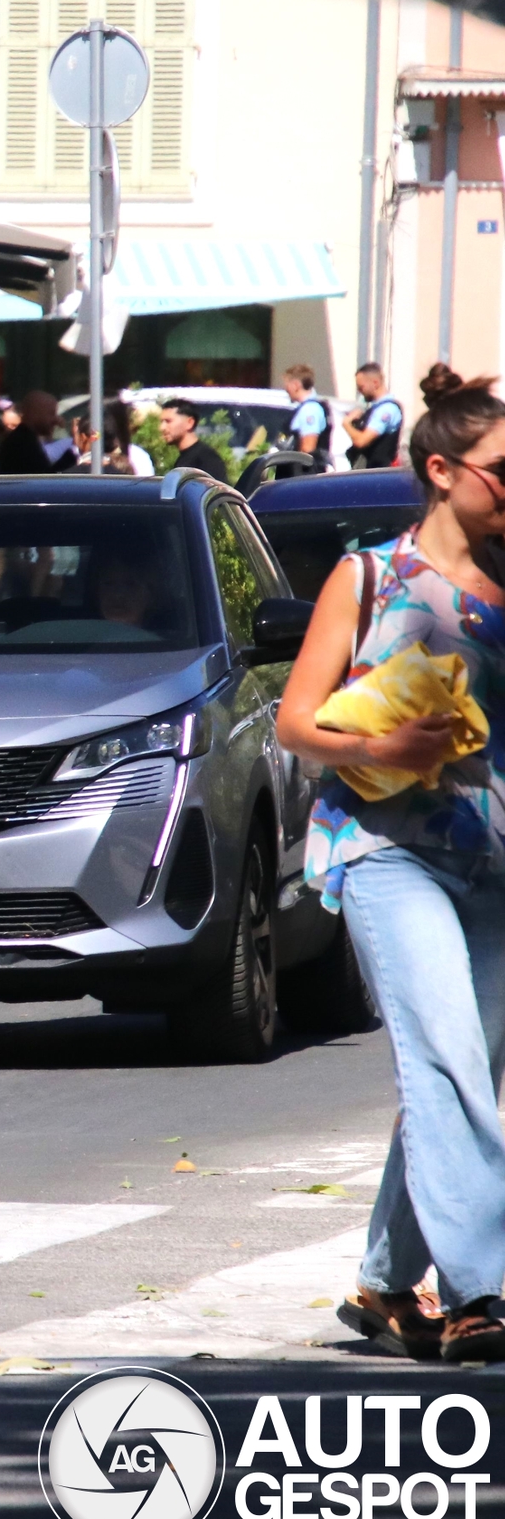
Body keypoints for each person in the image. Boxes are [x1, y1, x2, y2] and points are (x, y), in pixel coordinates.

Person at [279, 378, 505, 1365]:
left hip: (493, 865)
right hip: (383, 851)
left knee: (460, 1076)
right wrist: (385, 743)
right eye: (502, 475)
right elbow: (296, 721)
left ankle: (382, 1278)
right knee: (447, 1057)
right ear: (442, 472)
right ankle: (478, 1290)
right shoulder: (367, 578)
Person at [348, 363, 406, 470]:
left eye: (361, 387)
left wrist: (347, 424)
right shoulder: (375, 409)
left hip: (380, 472)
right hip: (371, 472)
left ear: (375, 383)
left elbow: (361, 441)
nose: (359, 391)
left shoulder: (386, 409)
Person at [160, 401, 230, 481]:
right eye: (161, 422)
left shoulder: (206, 458)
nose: (162, 428)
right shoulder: (183, 459)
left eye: (168, 421)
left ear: (190, 422)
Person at [0, 391, 55, 474]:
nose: (55, 419)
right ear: (35, 414)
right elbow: (44, 476)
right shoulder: (20, 444)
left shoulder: (28, 438)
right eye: (51, 413)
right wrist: (72, 454)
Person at [286, 363, 332, 454]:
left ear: (296, 385)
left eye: (287, 385)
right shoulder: (305, 408)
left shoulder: (310, 409)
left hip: (304, 468)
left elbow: (308, 448)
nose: (285, 389)